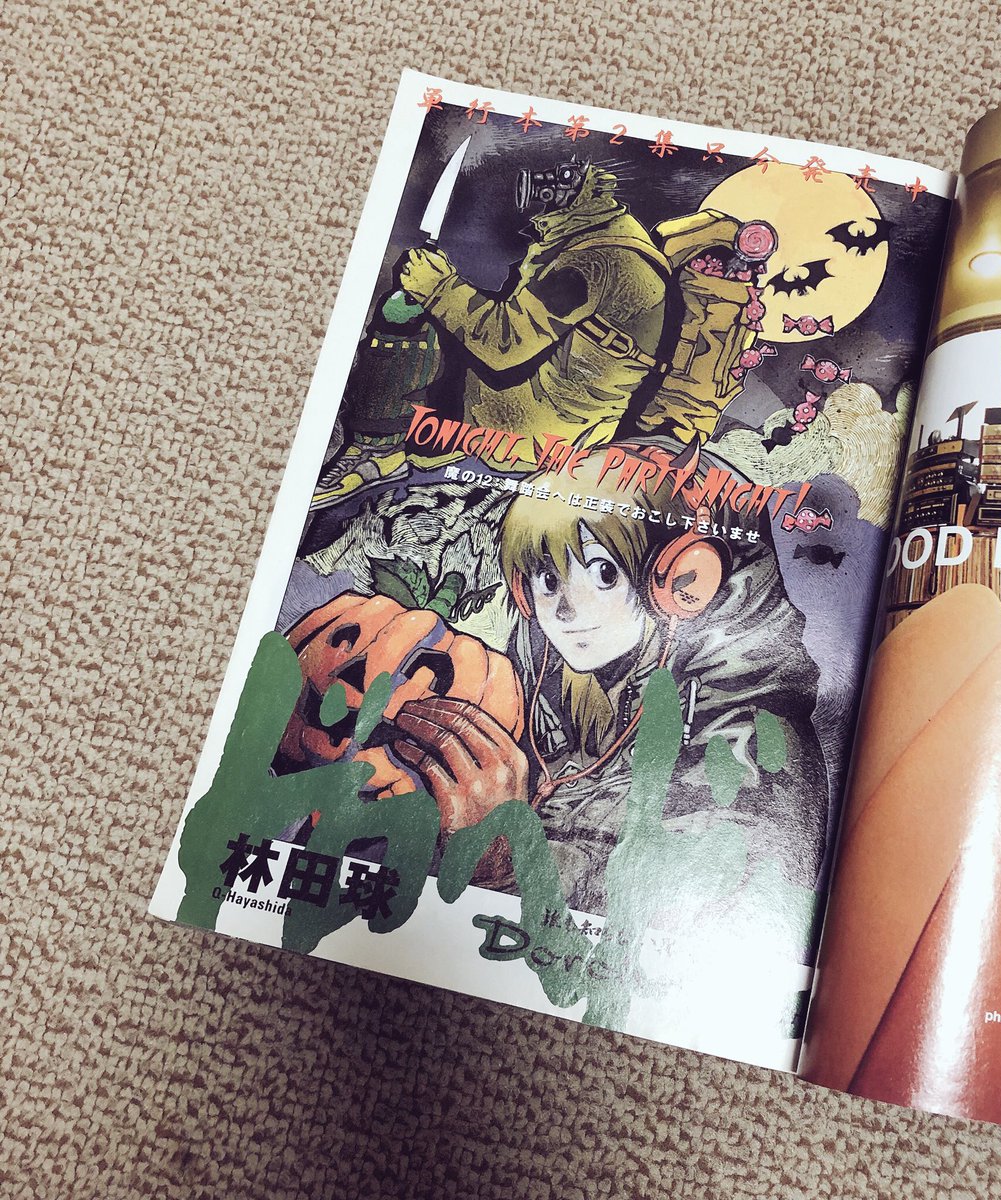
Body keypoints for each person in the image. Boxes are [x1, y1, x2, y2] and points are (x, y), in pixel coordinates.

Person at [394, 444, 830, 915]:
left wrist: (506, 863)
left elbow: (699, 896)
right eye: (548, 580)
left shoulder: (756, 736)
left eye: (604, 573)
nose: (565, 611)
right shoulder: (551, 683)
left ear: (685, 580)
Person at [312, 162, 670, 506]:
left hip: (535, 436)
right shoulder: (606, 236)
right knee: (421, 309)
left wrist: (438, 288)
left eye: (562, 184)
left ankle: (377, 451)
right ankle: (381, 446)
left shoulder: (594, 263)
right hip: (559, 414)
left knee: (408, 311)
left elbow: (505, 346)